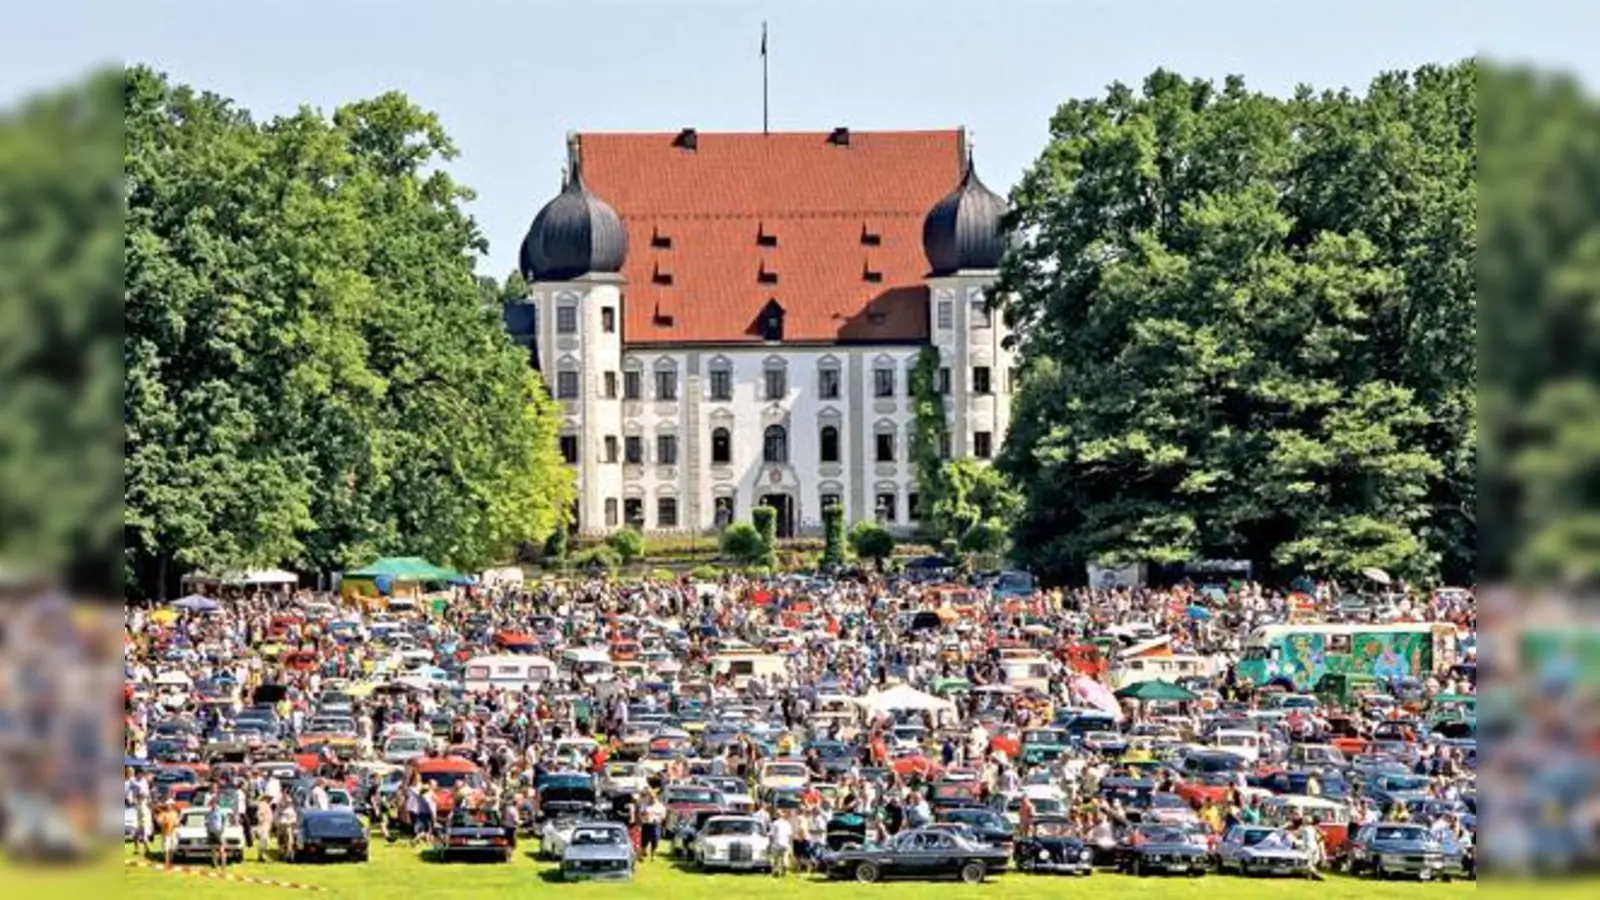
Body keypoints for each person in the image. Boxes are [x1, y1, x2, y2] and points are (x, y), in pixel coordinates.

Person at [639, 790, 665, 861]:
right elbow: (641, 813)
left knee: (655, 840)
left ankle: (653, 855)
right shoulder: (645, 805)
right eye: (650, 797)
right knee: (644, 841)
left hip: (655, 825)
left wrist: (656, 817)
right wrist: (644, 817)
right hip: (646, 824)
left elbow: (663, 815)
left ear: (656, 798)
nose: (651, 799)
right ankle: (642, 853)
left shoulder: (660, 806)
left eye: (653, 798)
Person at [769, 808, 793, 877]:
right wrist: (790, 844)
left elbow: (772, 834)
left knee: (775, 858)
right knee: (784, 857)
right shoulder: (787, 823)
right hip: (785, 843)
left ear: (777, 816)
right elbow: (789, 835)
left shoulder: (775, 823)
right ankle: (784, 866)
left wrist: (770, 843)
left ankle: (776, 871)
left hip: (777, 843)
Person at [156, 800, 180, 868]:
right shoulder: (163, 813)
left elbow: (177, 822)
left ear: (172, 805)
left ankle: (170, 861)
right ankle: (167, 862)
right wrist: (163, 822)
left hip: (174, 832)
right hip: (166, 833)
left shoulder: (175, 813)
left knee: (173, 847)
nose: (169, 806)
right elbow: (159, 822)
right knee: (167, 848)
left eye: (170, 805)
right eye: (168, 805)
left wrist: (176, 824)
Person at [205, 803, 230, 869]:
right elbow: (207, 823)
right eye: (212, 804)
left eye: (214, 804)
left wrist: (222, 829)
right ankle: (214, 864)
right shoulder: (209, 813)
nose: (212, 805)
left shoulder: (220, 812)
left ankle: (223, 864)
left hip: (218, 833)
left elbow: (224, 821)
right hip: (211, 833)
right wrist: (208, 831)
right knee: (213, 850)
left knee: (221, 849)